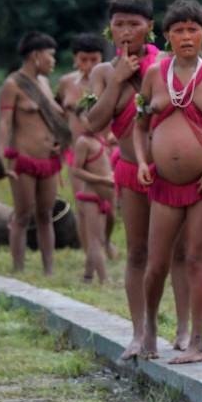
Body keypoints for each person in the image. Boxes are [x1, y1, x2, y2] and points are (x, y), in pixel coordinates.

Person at [133, 0, 202, 363]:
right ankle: (148, 330)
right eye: (178, 30)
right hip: (163, 184)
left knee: (196, 258)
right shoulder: (154, 74)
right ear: (166, 36)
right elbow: (140, 125)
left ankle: (196, 341)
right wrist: (143, 162)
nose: (185, 36)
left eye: (192, 29)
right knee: (156, 262)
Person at [87, 0, 189, 359]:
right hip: (130, 170)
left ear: (150, 26)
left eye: (134, 23)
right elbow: (93, 123)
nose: (126, 31)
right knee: (137, 253)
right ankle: (140, 330)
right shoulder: (102, 72)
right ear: (109, 29)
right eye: (119, 24)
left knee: (177, 252)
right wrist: (117, 81)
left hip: (170, 172)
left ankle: (182, 329)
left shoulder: (168, 63)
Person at [0, 31, 72, 274]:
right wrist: (1, 160)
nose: (53, 61)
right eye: (50, 56)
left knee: (45, 214)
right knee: (22, 215)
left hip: (48, 161)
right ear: (36, 55)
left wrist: (60, 142)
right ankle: (18, 268)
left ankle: (48, 268)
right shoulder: (13, 84)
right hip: (24, 160)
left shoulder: (45, 83)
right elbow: (5, 124)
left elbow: (55, 120)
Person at [57, 33, 114, 256]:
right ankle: (90, 253)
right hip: (75, 150)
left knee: (108, 206)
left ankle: (106, 241)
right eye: (83, 60)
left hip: (103, 151)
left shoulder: (110, 82)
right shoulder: (66, 83)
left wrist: (112, 137)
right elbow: (60, 116)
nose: (89, 65)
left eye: (94, 60)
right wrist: (58, 143)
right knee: (82, 205)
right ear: (75, 59)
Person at [71, 94, 115, 284]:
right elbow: (77, 170)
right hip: (91, 196)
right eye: (86, 119)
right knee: (96, 240)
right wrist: (102, 180)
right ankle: (104, 280)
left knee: (98, 237)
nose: (91, 123)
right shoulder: (83, 142)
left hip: (103, 196)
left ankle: (88, 275)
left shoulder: (100, 140)